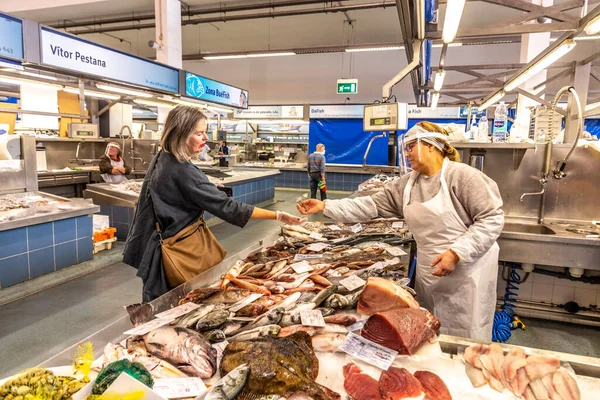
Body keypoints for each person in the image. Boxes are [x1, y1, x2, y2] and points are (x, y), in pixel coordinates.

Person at [297, 122, 504, 340]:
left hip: (468, 272)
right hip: (429, 268)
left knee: (465, 333)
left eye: (411, 147)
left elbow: (492, 219)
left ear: (431, 145)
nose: (406, 154)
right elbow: (369, 206)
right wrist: (326, 206)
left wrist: (457, 253)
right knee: (429, 330)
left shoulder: (464, 177)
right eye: (405, 148)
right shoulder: (406, 184)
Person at [123, 106, 306, 302]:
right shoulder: (183, 170)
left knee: (158, 301)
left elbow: (174, 193)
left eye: (205, 132)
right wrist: (278, 215)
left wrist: (204, 188)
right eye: (199, 133)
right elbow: (229, 208)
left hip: (153, 243)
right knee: (167, 304)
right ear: (180, 134)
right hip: (170, 254)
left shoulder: (163, 156)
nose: (205, 138)